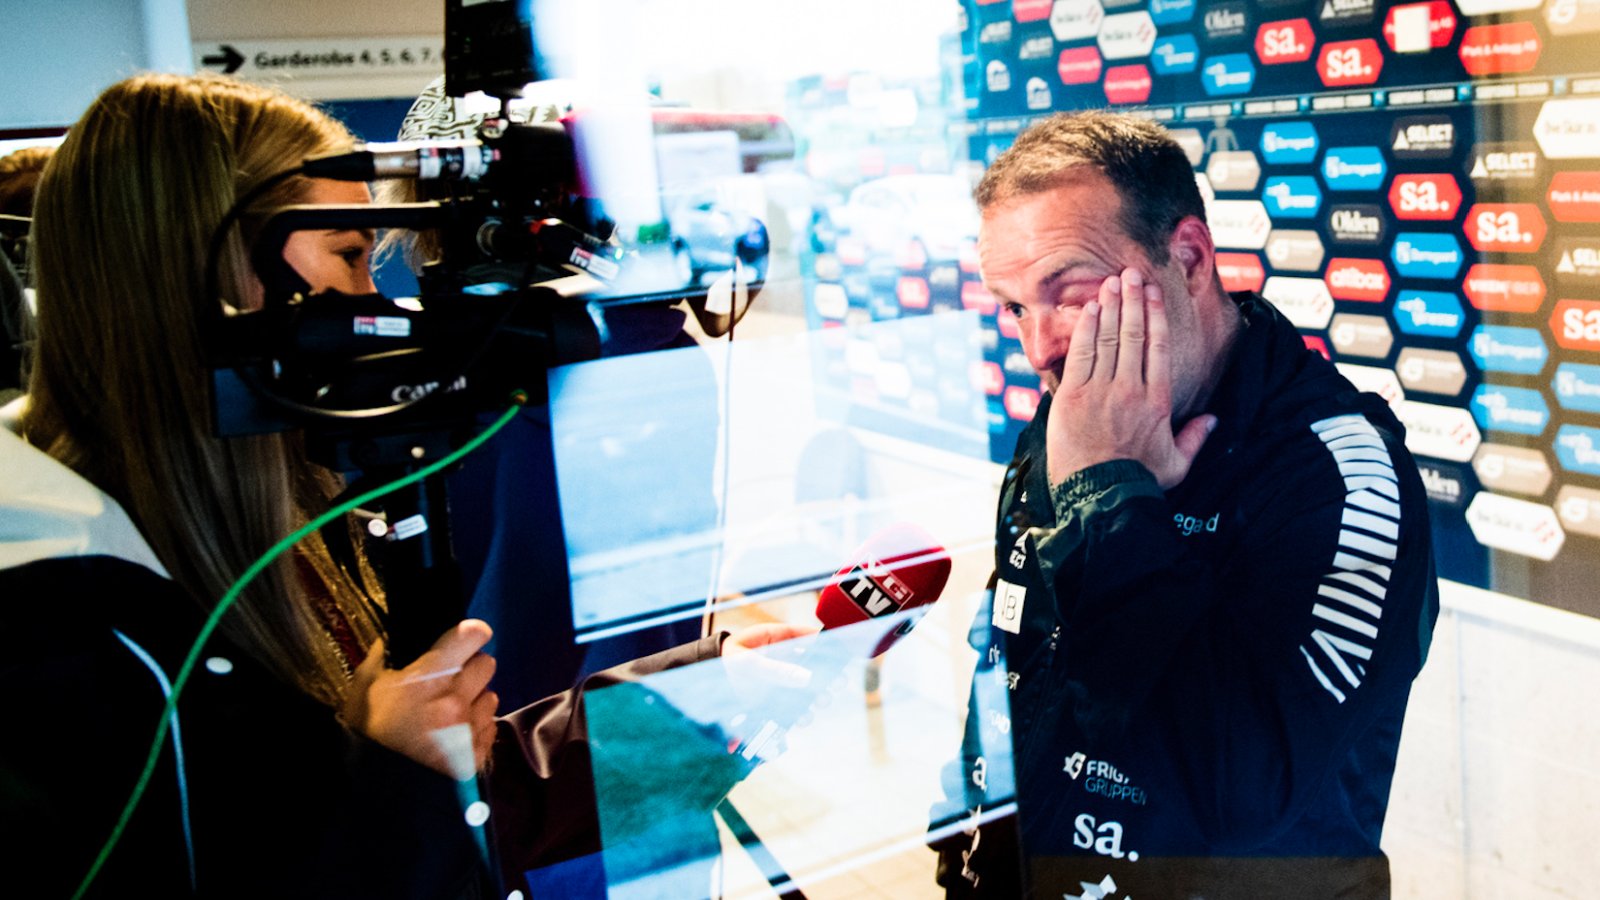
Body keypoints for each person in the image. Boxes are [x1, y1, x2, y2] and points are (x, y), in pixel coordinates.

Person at [0, 72, 805, 899]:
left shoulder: (286, 504)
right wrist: (382, 777)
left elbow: (454, 775)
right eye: (350, 255)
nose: (376, 300)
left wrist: (699, 699)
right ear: (197, 274)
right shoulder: (65, 632)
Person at [935, 111, 1439, 898]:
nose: (1039, 349)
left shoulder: (1337, 470)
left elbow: (1239, 791)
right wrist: (967, 848)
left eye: (1072, 296)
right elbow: (1010, 657)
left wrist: (1108, 494)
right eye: (1015, 307)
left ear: (1191, 258)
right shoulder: (1063, 421)